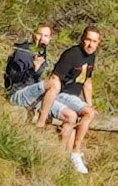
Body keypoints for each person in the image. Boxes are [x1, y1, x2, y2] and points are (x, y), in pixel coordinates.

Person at [39, 26, 101, 173]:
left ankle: (61, 158)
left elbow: (87, 82)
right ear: (82, 39)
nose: (90, 44)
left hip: (73, 97)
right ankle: (76, 151)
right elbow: (54, 78)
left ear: (98, 43)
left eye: (94, 41)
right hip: (62, 94)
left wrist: (89, 104)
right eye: (88, 40)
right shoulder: (71, 54)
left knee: (75, 119)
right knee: (88, 114)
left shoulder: (91, 56)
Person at [4, 23, 53, 112]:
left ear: (49, 38)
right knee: (53, 84)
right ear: (33, 35)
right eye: (39, 34)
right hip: (18, 92)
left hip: (36, 95)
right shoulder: (23, 51)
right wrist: (32, 69)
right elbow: (14, 77)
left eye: (46, 36)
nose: (42, 38)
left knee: (69, 114)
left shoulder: (45, 55)